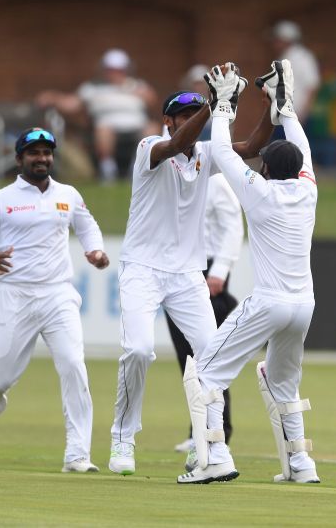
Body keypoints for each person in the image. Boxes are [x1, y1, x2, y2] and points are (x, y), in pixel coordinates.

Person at [109, 64, 273, 476]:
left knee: (212, 358)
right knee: (139, 350)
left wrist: (273, 106)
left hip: (187, 275)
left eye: (196, 114)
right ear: (168, 121)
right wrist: (214, 106)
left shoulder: (206, 155)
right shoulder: (150, 147)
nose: (192, 123)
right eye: (184, 116)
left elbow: (252, 145)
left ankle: (213, 448)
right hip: (142, 269)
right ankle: (123, 438)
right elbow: (179, 141)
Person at [177, 60, 320, 485]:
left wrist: (223, 107)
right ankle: (300, 464)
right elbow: (304, 150)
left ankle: (214, 454)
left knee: (205, 371)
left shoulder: (260, 193)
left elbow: (221, 152)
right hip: (304, 306)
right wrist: (287, 110)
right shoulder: (309, 189)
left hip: (270, 303)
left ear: (265, 169)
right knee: (282, 383)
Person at [0, 127, 109, 473]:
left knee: (74, 366)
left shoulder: (67, 194)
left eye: (46, 153)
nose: (42, 159)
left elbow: (86, 225)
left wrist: (95, 251)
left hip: (59, 294)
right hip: (16, 295)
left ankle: (77, 454)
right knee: (0, 378)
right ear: (18, 159)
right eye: (34, 153)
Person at [166, 170, 243, 455]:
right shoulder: (169, 177)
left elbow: (233, 226)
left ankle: (217, 429)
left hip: (208, 272)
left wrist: (220, 270)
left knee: (210, 356)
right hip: (175, 268)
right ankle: (198, 429)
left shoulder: (216, 180)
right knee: (186, 358)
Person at [37, 49, 157, 181]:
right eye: (111, 70)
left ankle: (138, 167)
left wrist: (138, 91)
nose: (115, 73)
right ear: (104, 70)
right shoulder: (92, 88)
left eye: (119, 70)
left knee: (152, 128)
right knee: (103, 130)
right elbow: (71, 104)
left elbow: (152, 101)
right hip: (107, 125)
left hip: (137, 124)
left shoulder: (137, 85)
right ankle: (108, 169)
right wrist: (53, 98)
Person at [269, 21, 319, 124]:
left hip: (296, 115)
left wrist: (304, 114)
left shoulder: (303, 58)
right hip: (282, 114)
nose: (274, 43)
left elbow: (312, 86)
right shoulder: (284, 57)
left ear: (286, 40)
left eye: (277, 40)